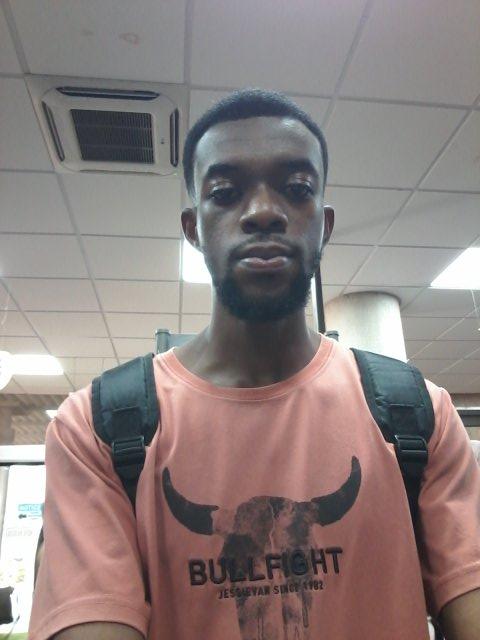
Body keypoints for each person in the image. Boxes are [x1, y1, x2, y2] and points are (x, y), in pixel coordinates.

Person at [29, 89, 480, 640]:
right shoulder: (95, 430)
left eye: (297, 189)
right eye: (225, 192)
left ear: (324, 225)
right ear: (194, 229)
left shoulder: (419, 416)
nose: (264, 211)